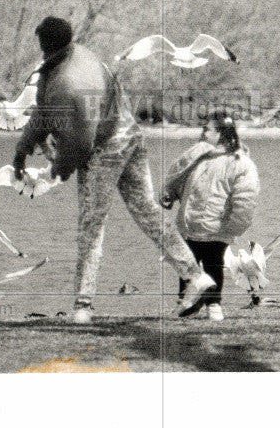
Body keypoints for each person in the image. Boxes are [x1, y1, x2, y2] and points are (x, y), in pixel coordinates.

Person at [11, 17, 215, 324]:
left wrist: (57, 170)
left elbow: (80, 143)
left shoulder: (67, 81)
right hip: (131, 136)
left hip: (104, 147)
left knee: (91, 225)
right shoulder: (79, 56)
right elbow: (46, 111)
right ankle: (195, 275)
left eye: (39, 44)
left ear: (46, 45)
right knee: (147, 211)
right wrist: (23, 149)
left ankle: (83, 305)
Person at [160, 110, 260, 321]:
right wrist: (170, 193)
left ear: (223, 133)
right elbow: (180, 179)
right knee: (186, 264)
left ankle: (213, 304)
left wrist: (233, 227)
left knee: (213, 263)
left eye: (208, 129)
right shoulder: (197, 157)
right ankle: (185, 303)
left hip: (216, 228)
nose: (203, 132)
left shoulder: (239, 163)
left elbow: (245, 199)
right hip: (189, 225)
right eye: (203, 128)